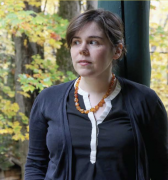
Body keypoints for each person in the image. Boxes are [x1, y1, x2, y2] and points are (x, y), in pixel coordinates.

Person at [25, 9, 168, 180]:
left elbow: (162, 168)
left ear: (117, 51)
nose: (82, 50)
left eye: (93, 42)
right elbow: (35, 165)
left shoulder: (145, 100)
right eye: (76, 42)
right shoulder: (48, 99)